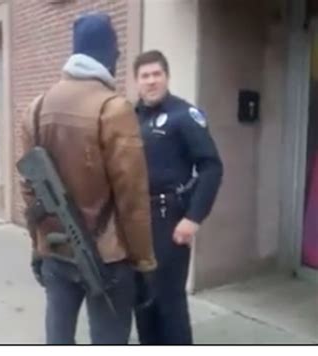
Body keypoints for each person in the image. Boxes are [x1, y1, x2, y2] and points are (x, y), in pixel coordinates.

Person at [20, 13, 157, 345]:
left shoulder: (35, 109)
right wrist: (144, 263)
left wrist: (38, 246)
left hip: (56, 251)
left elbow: (29, 191)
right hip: (108, 259)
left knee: (58, 340)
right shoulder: (114, 109)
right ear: (106, 54)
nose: (119, 58)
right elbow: (132, 198)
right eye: (116, 52)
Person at [133, 50, 224, 345]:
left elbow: (211, 167)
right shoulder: (129, 118)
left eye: (156, 74)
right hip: (136, 222)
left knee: (169, 303)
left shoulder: (184, 115)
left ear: (167, 77)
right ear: (136, 81)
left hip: (169, 221)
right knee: (143, 300)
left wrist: (193, 218)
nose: (151, 81)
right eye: (144, 76)